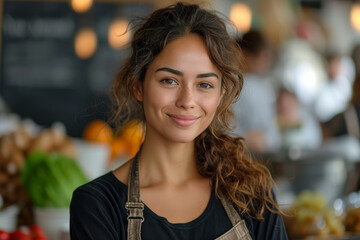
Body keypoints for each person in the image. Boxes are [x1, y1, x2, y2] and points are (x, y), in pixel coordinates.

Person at [70, 3, 288, 240]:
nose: (187, 101)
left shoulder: (252, 193)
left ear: (221, 95)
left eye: (204, 85)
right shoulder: (98, 205)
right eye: (169, 81)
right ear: (137, 86)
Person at [232, 30, 281, 153]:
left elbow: (271, 131)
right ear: (245, 54)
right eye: (262, 57)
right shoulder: (232, 84)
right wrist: (247, 138)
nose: (266, 64)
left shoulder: (261, 86)